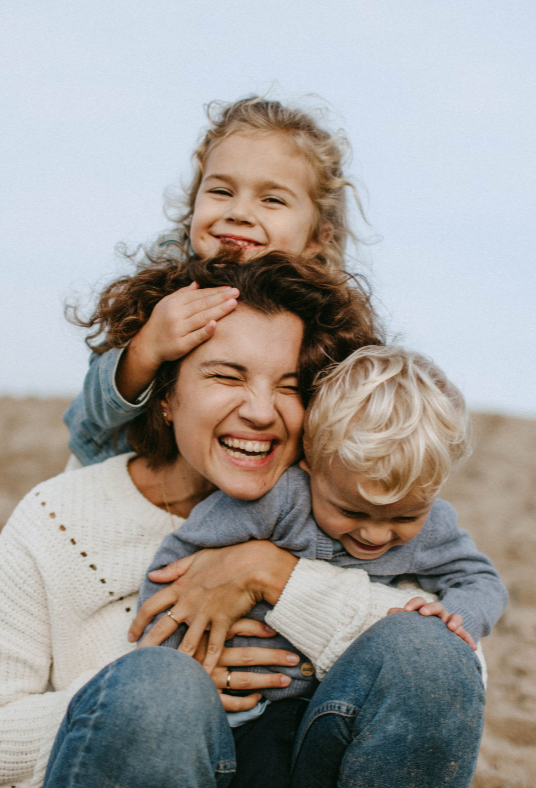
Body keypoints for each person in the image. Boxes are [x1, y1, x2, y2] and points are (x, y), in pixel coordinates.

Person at [137, 345, 507, 698]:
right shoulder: (279, 500)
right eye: (351, 512)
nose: (375, 533)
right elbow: (179, 567)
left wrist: (459, 617)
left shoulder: (432, 528)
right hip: (227, 689)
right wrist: (172, 665)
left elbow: (481, 581)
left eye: (404, 516)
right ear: (311, 464)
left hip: (326, 701)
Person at [64, 96, 366, 466]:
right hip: (125, 476)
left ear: (319, 236)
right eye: (221, 191)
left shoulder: (322, 317)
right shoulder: (164, 286)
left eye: (271, 199)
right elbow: (92, 412)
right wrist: (148, 346)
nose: (238, 212)